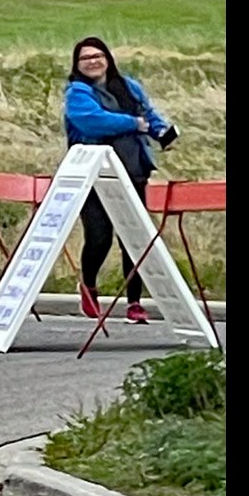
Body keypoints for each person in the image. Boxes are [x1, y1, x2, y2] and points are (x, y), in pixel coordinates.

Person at [63, 36, 176, 325]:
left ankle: (135, 303)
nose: (93, 61)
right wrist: (133, 124)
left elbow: (148, 114)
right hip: (94, 174)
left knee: (134, 237)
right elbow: (92, 121)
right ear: (77, 64)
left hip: (133, 169)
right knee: (99, 236)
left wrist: (162, 132)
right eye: (85, 58)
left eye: (98, 55)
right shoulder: (77, 93)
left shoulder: (129, 86)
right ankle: (89, 285)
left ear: (108, 58)